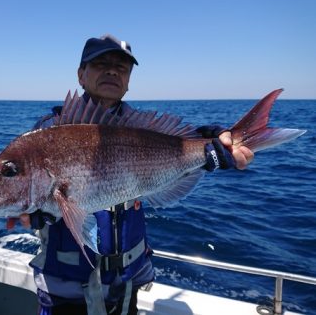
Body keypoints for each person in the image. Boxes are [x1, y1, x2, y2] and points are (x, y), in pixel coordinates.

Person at [16, 34, 254, 315]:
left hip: (126, 286)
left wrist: (214, 138)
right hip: (64, 294)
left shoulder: (141, 130)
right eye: (100, 63)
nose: (112, 70)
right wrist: (34, 209)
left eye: (122, 67)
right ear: (81, 75)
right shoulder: (52, 131)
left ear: (128, 81)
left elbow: (181, 142)